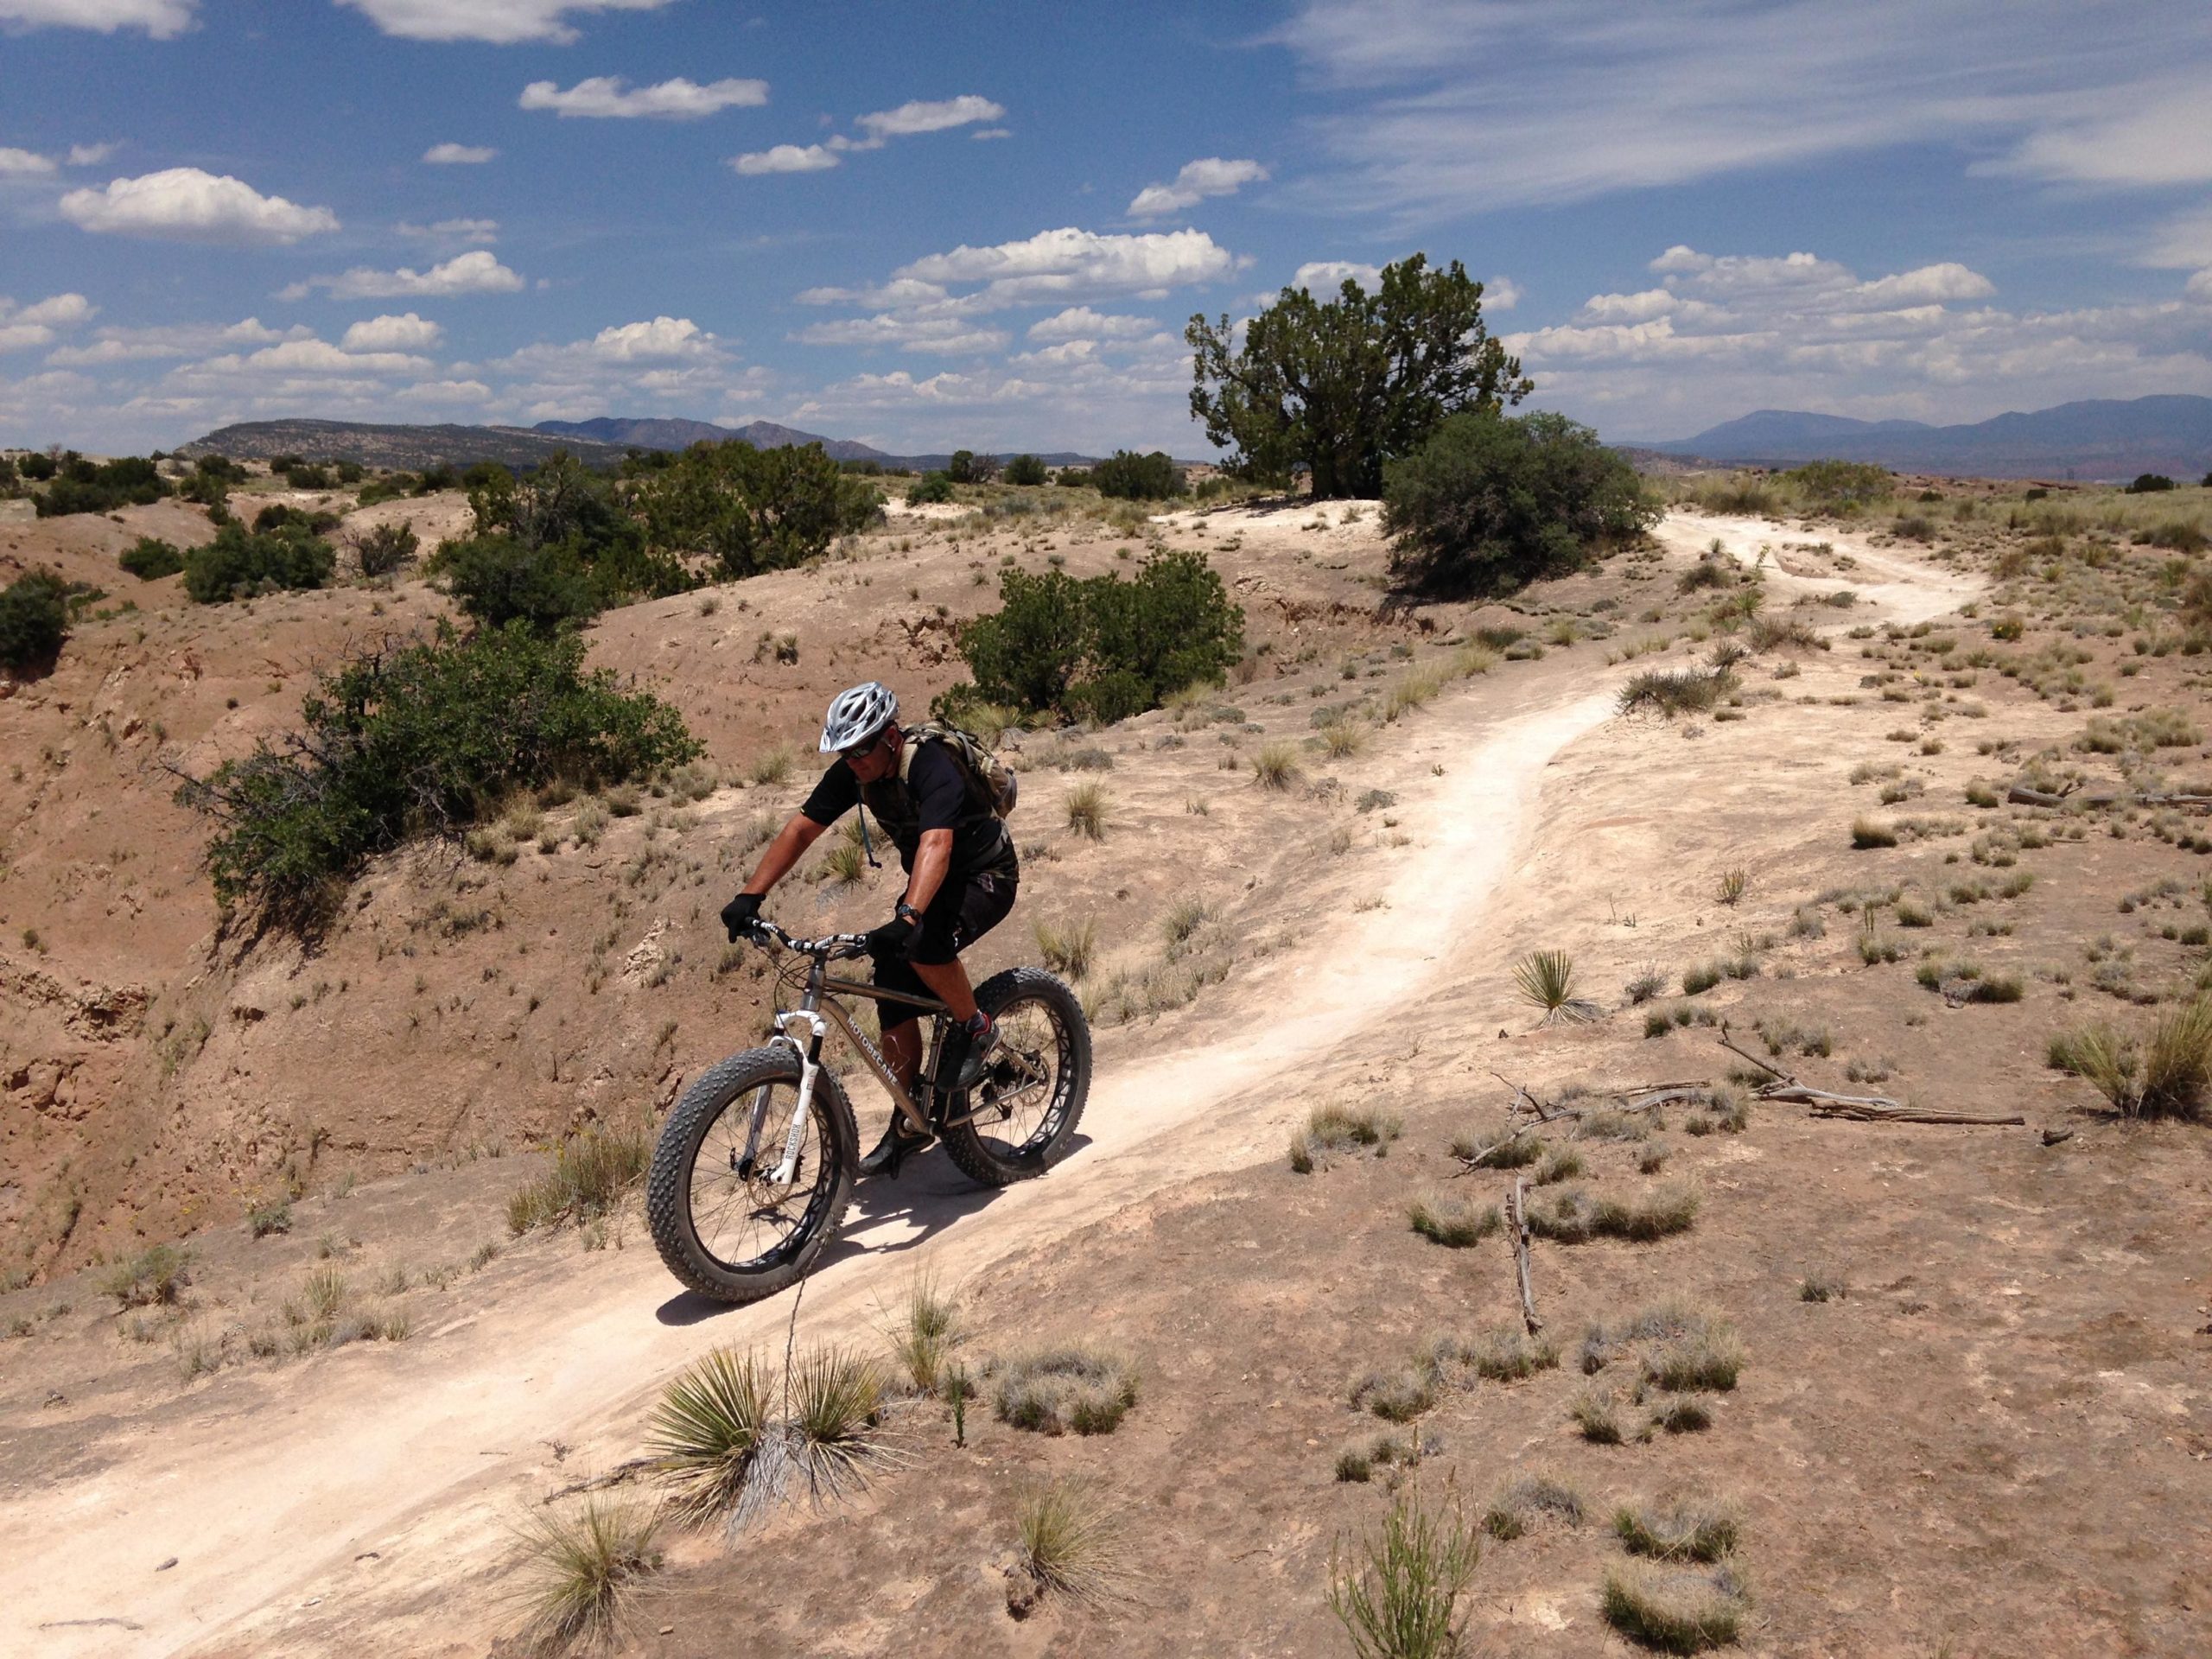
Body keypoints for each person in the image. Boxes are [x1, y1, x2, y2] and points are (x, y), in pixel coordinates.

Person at [719, 682, 1019, 1173]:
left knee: (922, 945)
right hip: (933, 881)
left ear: (890, 736)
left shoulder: (930, 764)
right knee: (890, 974)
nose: (852, 759)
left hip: (986, 875)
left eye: (860, 748)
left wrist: (908, 916)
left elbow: (937, 845)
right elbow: (801, 829)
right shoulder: (854, 774)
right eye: (843, 751)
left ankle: (976, 1027)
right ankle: (907, 1117)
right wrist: (751, 895)